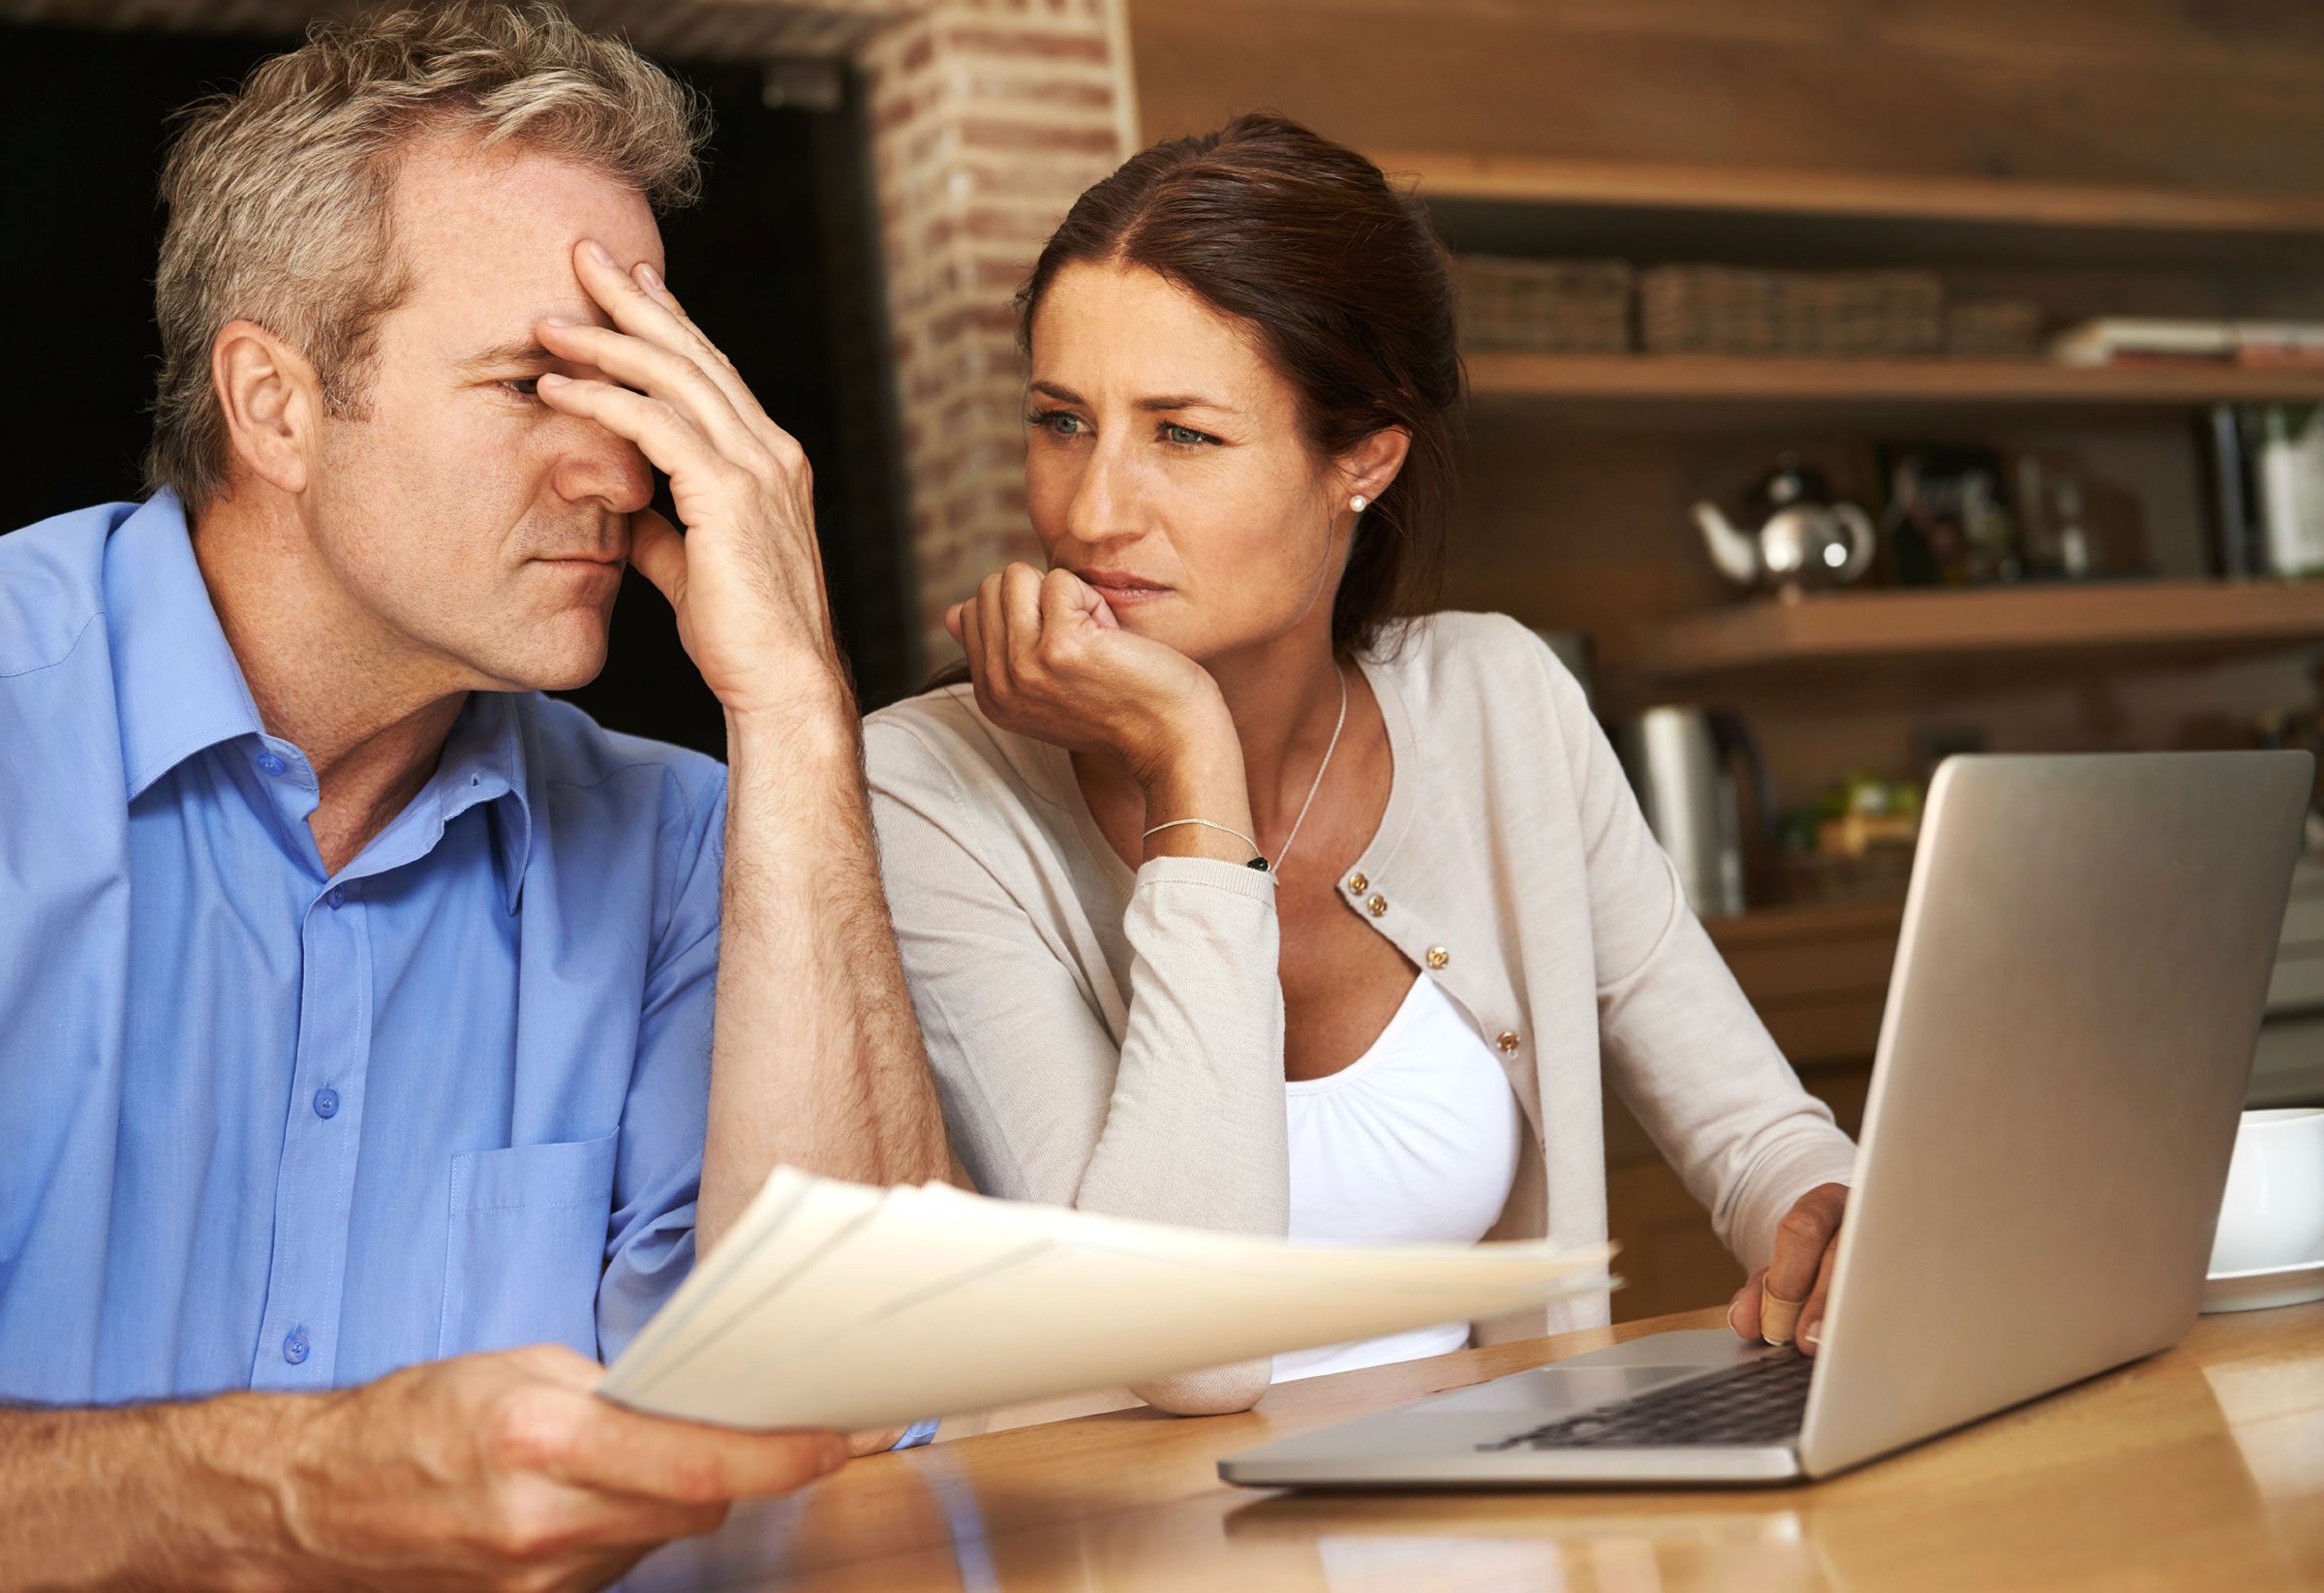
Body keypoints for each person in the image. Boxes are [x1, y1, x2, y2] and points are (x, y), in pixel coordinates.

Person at [0, 4, 947, 1586]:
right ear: (276, 403)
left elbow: (852, 1420)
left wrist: (796, 704)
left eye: (643, 382)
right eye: (531, 383)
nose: (626, 468)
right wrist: (290, 1489)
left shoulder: (683, 844)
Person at [863, 113, 1857, 1418]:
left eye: (1182, 434)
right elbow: (1180, 1347)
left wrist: (1829, 1216)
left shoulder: (1500, 704)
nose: (1090, 511)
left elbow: (1756, 1130)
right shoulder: (928, 791)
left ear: (1364, 457)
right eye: (1063, 420)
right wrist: (1192, 770)